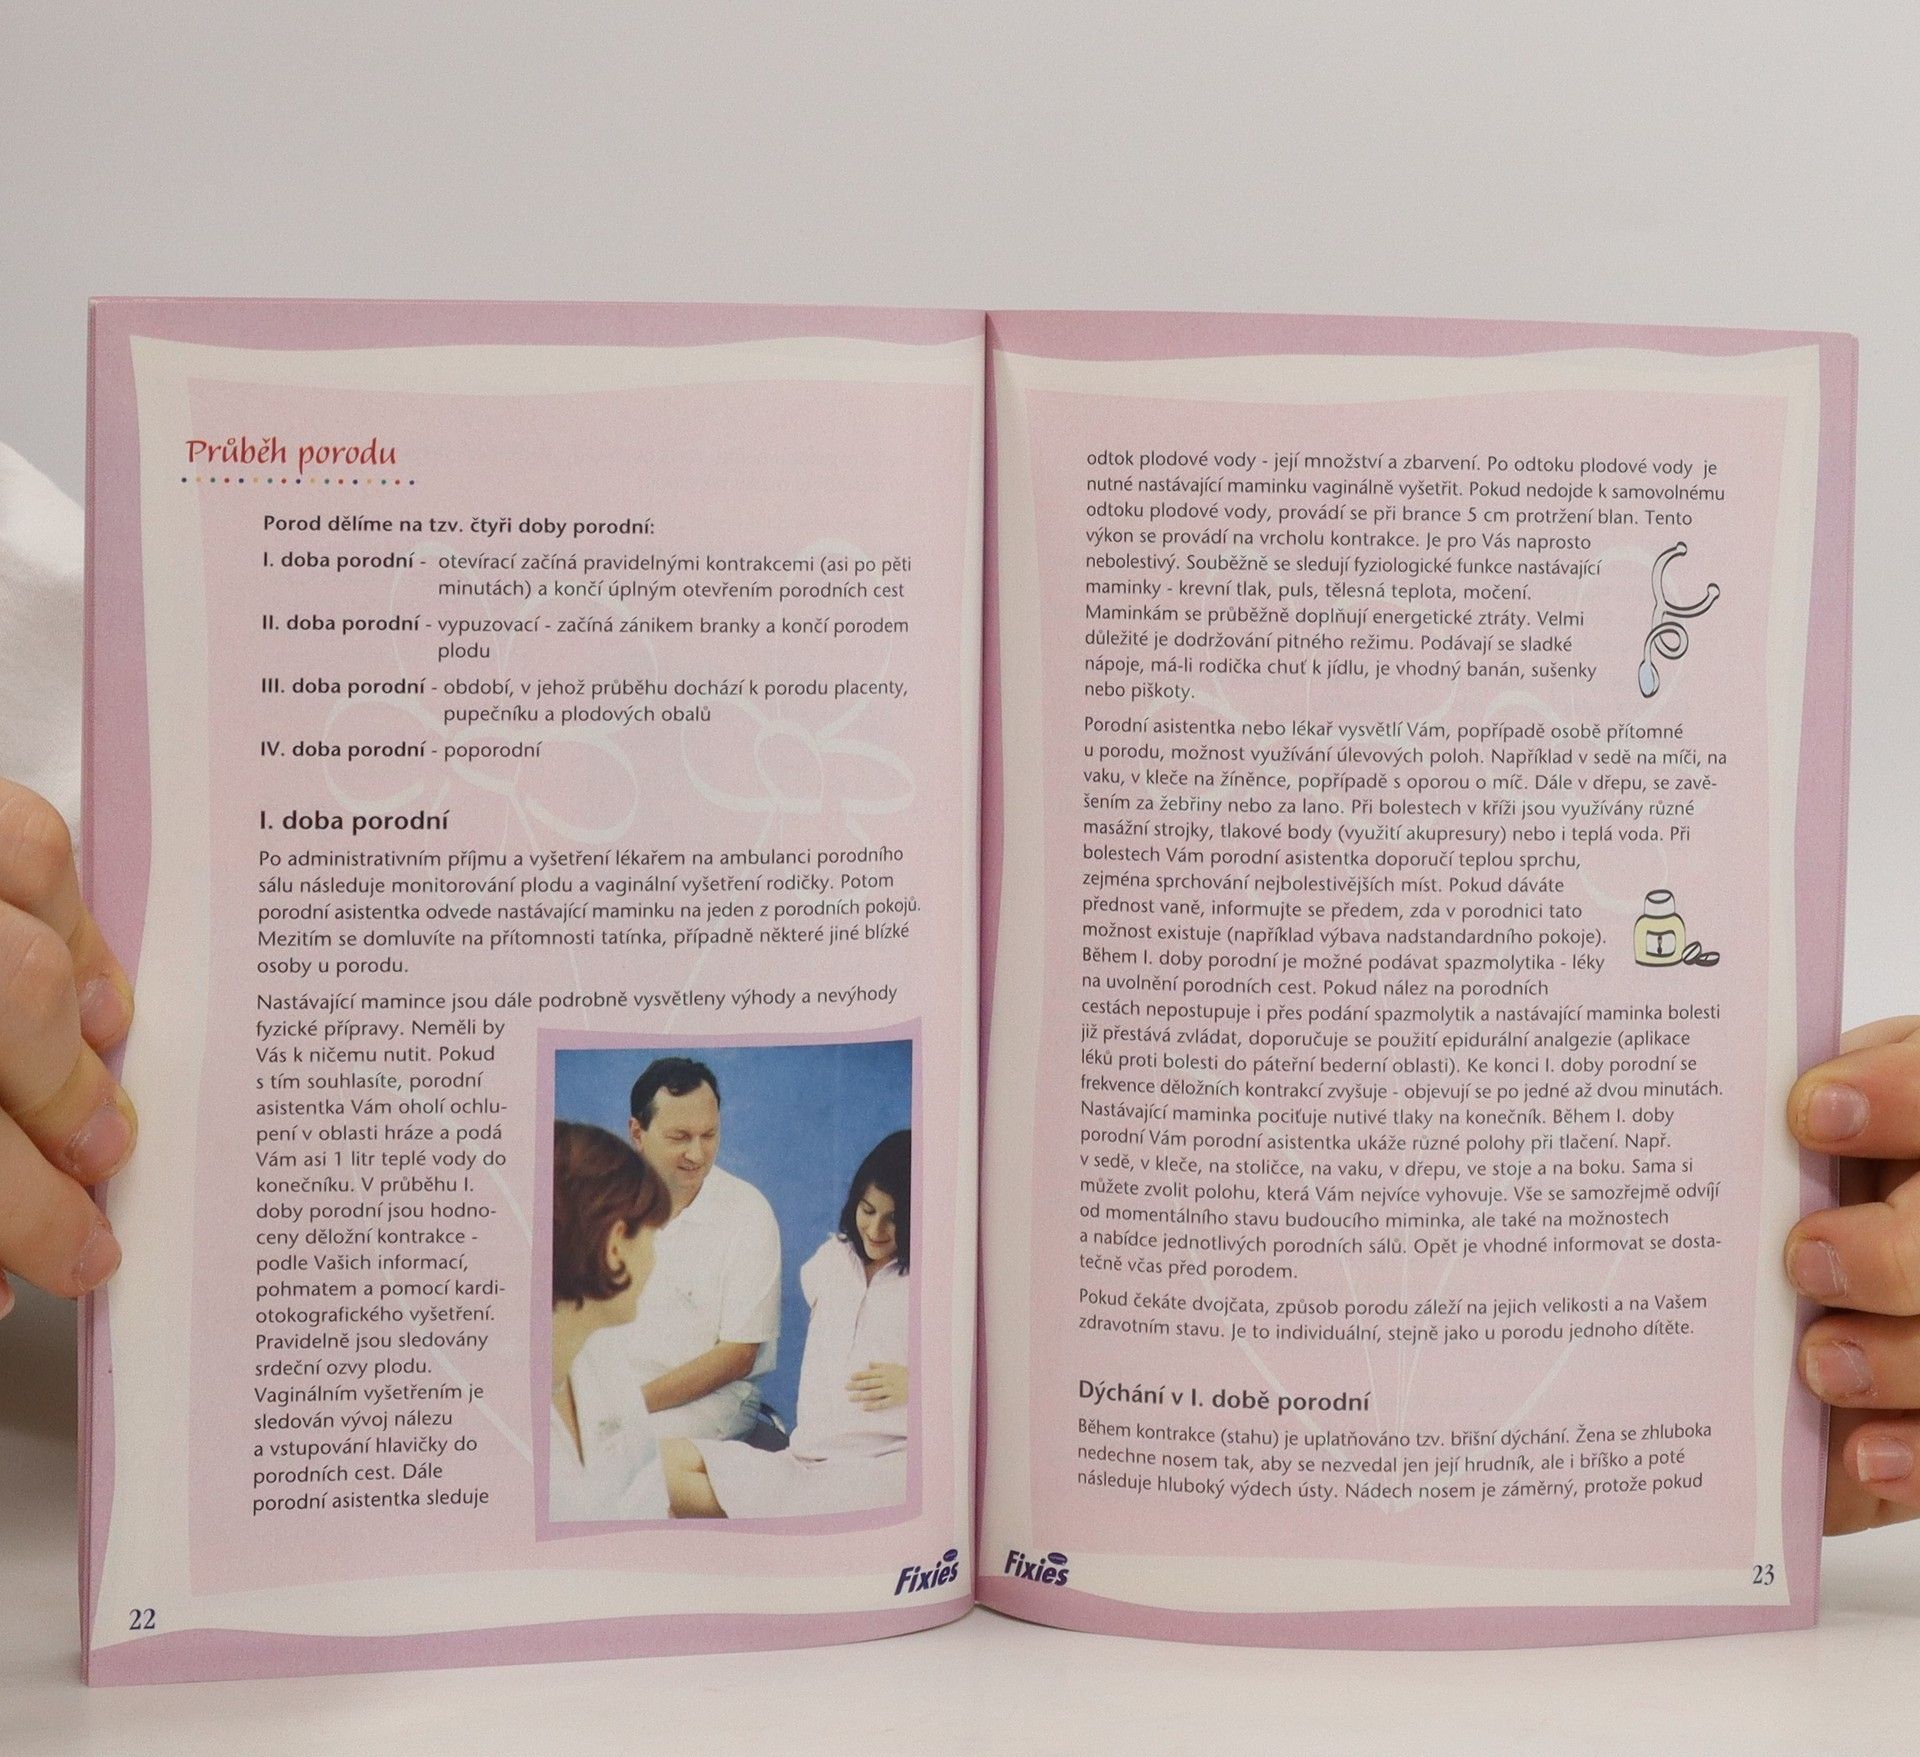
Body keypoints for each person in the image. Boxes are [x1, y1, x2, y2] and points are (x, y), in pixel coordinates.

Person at [5, 441, 1920, 1533]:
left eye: (704, 1132)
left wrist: (1828, 1224)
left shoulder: (755, 1230)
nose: (688, 1161)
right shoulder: (602, 1231)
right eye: (672, 1139)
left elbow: (733, 1382)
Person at [664, 1130, 912, 1520]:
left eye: (894, 1219)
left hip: (879, 1468)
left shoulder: (928, 1282)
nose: (876, 1231)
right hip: (803, 1459)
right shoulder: (831, 1261)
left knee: (683, 1500)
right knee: (653, 1465)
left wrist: (920, 1383)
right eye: (868, 1210)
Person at [592, 1056, 783, 1443]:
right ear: (637, 1132)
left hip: (711, 1401)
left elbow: (737, 1356)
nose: (697, 1155)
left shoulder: (747, 1212)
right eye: (679, 1137)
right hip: (613, 1395)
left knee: (620, 1454)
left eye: (709, 1135)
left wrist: (627, 1405)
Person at [548, 1121, 673, 1522]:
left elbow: (651, 1501)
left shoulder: (600, 1356)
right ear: (616, 1246)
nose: (653, 1259)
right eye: (652, 1238)